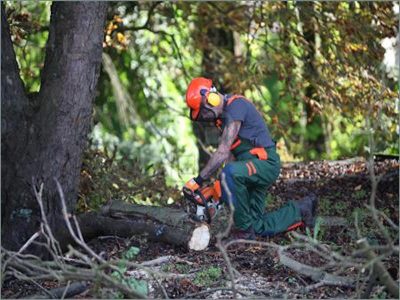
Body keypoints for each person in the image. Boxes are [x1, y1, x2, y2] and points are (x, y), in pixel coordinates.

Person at [183, 77, 317, 239]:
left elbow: (223, 152)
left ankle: (243, 231)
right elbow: (231, 157)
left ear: (211, 98)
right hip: (250, 169)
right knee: (257, 226)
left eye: (204, 112)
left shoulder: (236, 106)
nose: (206, 117)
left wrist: (198, 180)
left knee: (230, 174)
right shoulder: (224, 120)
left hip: (265, 164)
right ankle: (301, 209)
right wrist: (220, 187)